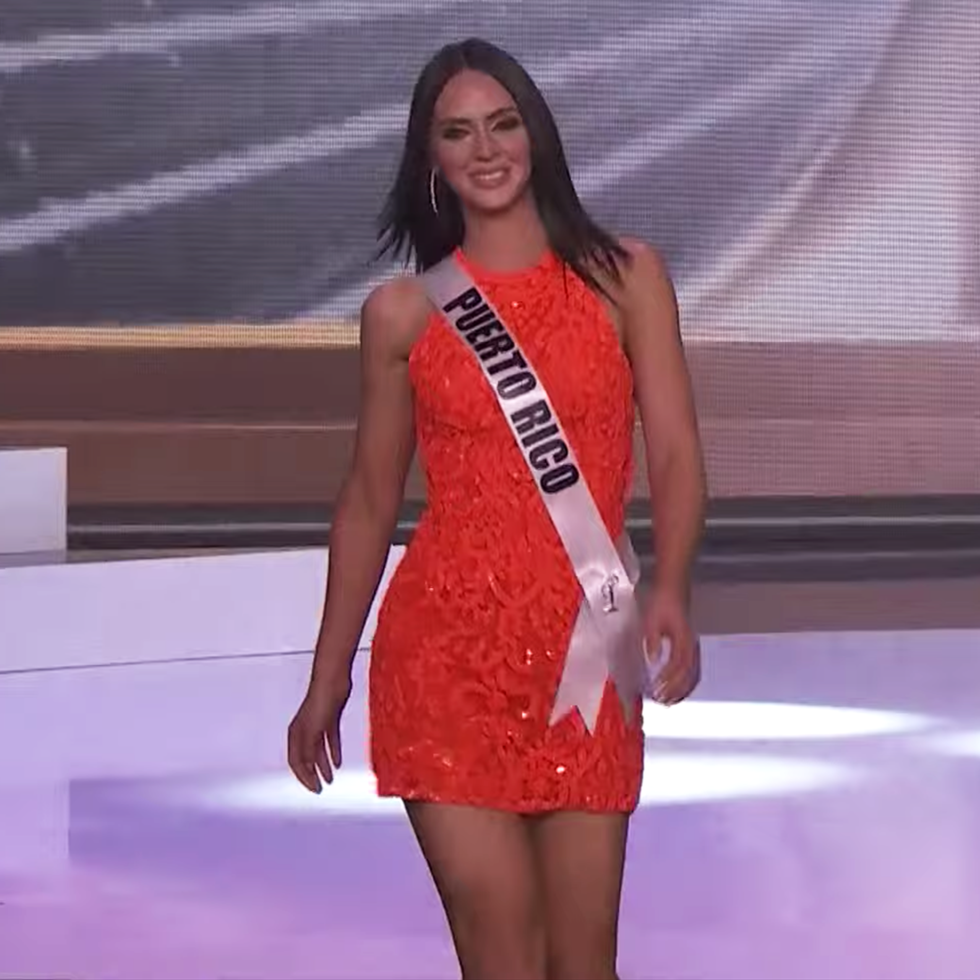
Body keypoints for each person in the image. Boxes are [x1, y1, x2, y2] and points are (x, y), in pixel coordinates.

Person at [288, 38, 706, 980]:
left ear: (536, 136)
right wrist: (327, 677)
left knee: (580, 960)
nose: (485, 149)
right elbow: (365, 502)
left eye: (504, 123)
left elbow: (677, 453)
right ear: (430, 160)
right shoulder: (404, 314)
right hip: (443, 661)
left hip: (586, 653)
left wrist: (672, 583)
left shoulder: (626, 277)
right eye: (457, 132)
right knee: (503, 954)